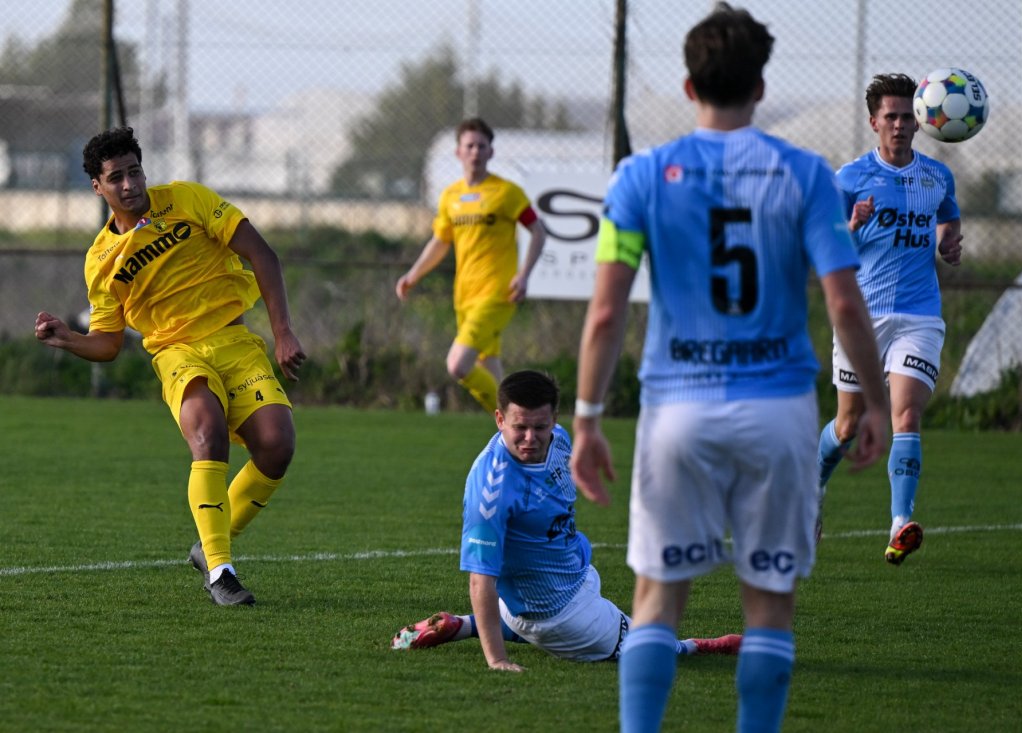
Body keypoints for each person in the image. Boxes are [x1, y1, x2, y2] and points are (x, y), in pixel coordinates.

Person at [568, 6, 889, 732]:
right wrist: (871, 401)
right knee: (768, 604)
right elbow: (843, 301)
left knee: (656, 599)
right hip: (778, 413)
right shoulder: (806, 174)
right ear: (762, 85)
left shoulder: (640, 176)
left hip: (677, 411)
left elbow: (605, 314)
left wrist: (586, 419)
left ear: (687, 85)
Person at [34, 126, 306, 607]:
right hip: (176, 352)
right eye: (116, 178)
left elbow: (262, 253)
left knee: (277, 446)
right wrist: (69, 340)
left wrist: (283, 331)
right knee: (208, 432)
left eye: (134, 171)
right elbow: (109, 343)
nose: (129, 184)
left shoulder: (187, 199)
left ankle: (207, 545)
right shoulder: (101, 261)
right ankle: (222, 571)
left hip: (234, 340)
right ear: (97, 187)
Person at [391, 370, 742, 671]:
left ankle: (461, 626)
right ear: (499, 419)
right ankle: (698, 645)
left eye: (540, 426)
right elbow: (480, 580)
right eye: (519, 428)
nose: (530, 438)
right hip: (557, 615)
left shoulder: (560, 440)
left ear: (554, 419)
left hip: (565, 582)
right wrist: (496, 661)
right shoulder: (491, 489)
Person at [816, 73, 964, 565]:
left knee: (906, 414)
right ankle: (812, 486)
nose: (900, 125)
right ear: (874, 121)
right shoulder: (850, 178)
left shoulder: (937, 176)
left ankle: (900, 523)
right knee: (848, 426)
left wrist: (947, 241)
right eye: (891, 117)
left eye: (907, 116)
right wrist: (852, 226)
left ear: (919, 121)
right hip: (862, 319)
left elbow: (949, 217)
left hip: (919, 316)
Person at [395, 118, 548, 414]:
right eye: (470, 146)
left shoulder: (506, 192)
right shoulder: (451, 196)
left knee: (458, 364)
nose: (476, 151)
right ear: (458, 152)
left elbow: (539, 231)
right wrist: (413, 275)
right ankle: (519, 443)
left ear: (491, 152)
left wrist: (524, 275)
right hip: (465, 296)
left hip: (497, 294)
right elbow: (440, 242)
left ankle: (520, 420)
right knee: (491, 372)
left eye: (482, 146)